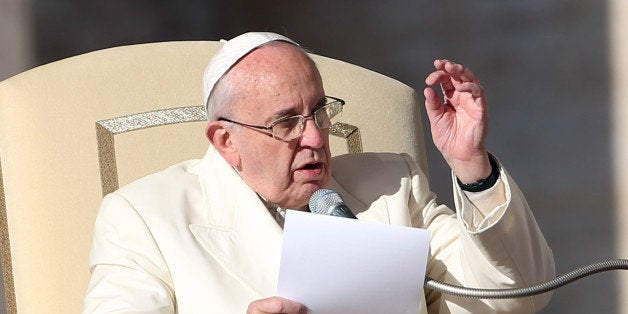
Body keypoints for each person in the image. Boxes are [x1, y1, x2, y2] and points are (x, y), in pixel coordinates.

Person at [83, 32, 555, 313]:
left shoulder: (391, 187)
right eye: (286, 122)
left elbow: (514, 298)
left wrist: (471, 166)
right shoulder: (144, 217)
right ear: (226, 141)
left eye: (319, 111)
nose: (314, 137)